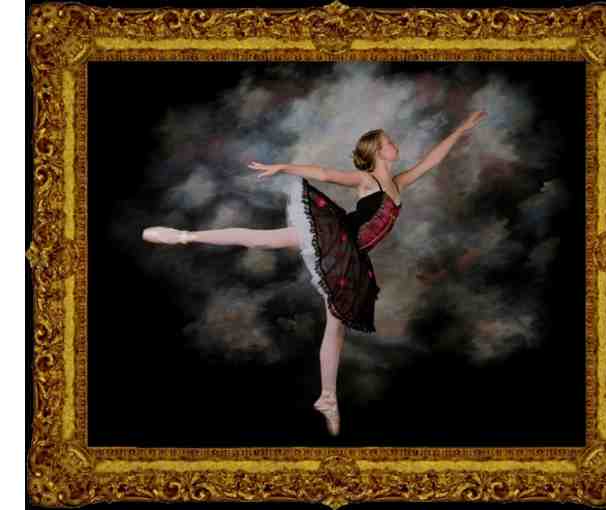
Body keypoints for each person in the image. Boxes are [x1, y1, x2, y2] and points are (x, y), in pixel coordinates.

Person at [142, 111, 487, 436]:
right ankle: (184, 236)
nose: (395, 144)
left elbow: (432, 160)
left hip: (352, 258)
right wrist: (283, 167)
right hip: (336, 238)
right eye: (389, 142)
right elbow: (324, 173)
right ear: (378, 152)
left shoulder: (399, 182)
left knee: (336, 327)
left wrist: (460, 130)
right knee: (264, 240)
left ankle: (328, 398)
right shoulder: (366, 180)